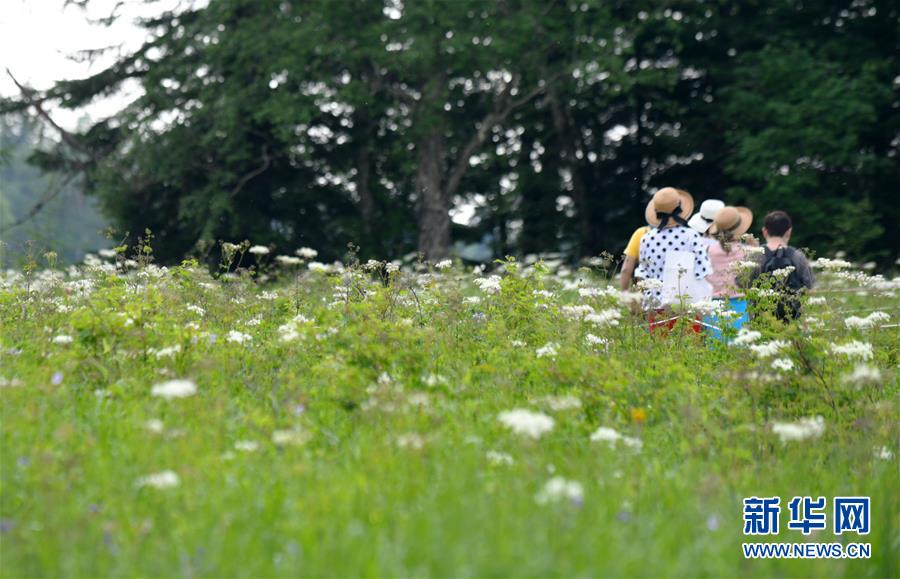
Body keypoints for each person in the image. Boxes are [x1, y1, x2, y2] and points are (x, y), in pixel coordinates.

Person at [635, 187, 712, 332]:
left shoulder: (646, 238)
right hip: (686, 305)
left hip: (656, 308)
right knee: (689, 351)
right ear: (680, 208)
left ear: (656, 212)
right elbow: (702, 271)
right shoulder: (691, 235)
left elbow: (643, 276)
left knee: (660, 352)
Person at [749, 210, 815, 321]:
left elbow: (742, 283)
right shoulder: (798, 256)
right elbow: (809, 284)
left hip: (760, 318)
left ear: (764, 231)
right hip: (792, 319)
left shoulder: (756, 256)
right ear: (789, 232)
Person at [704, 206, 755, 339]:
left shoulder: (708, 250)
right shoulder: (747, 251)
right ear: (740, 229)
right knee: (740, 351)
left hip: (713, 306)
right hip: (740, 305)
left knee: (714, 351)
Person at [619, 225, 649, 290]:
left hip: (645, 292)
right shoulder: (676, 234)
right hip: (674, 294)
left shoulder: (643, 232)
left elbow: (626, 269)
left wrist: (624, 292)